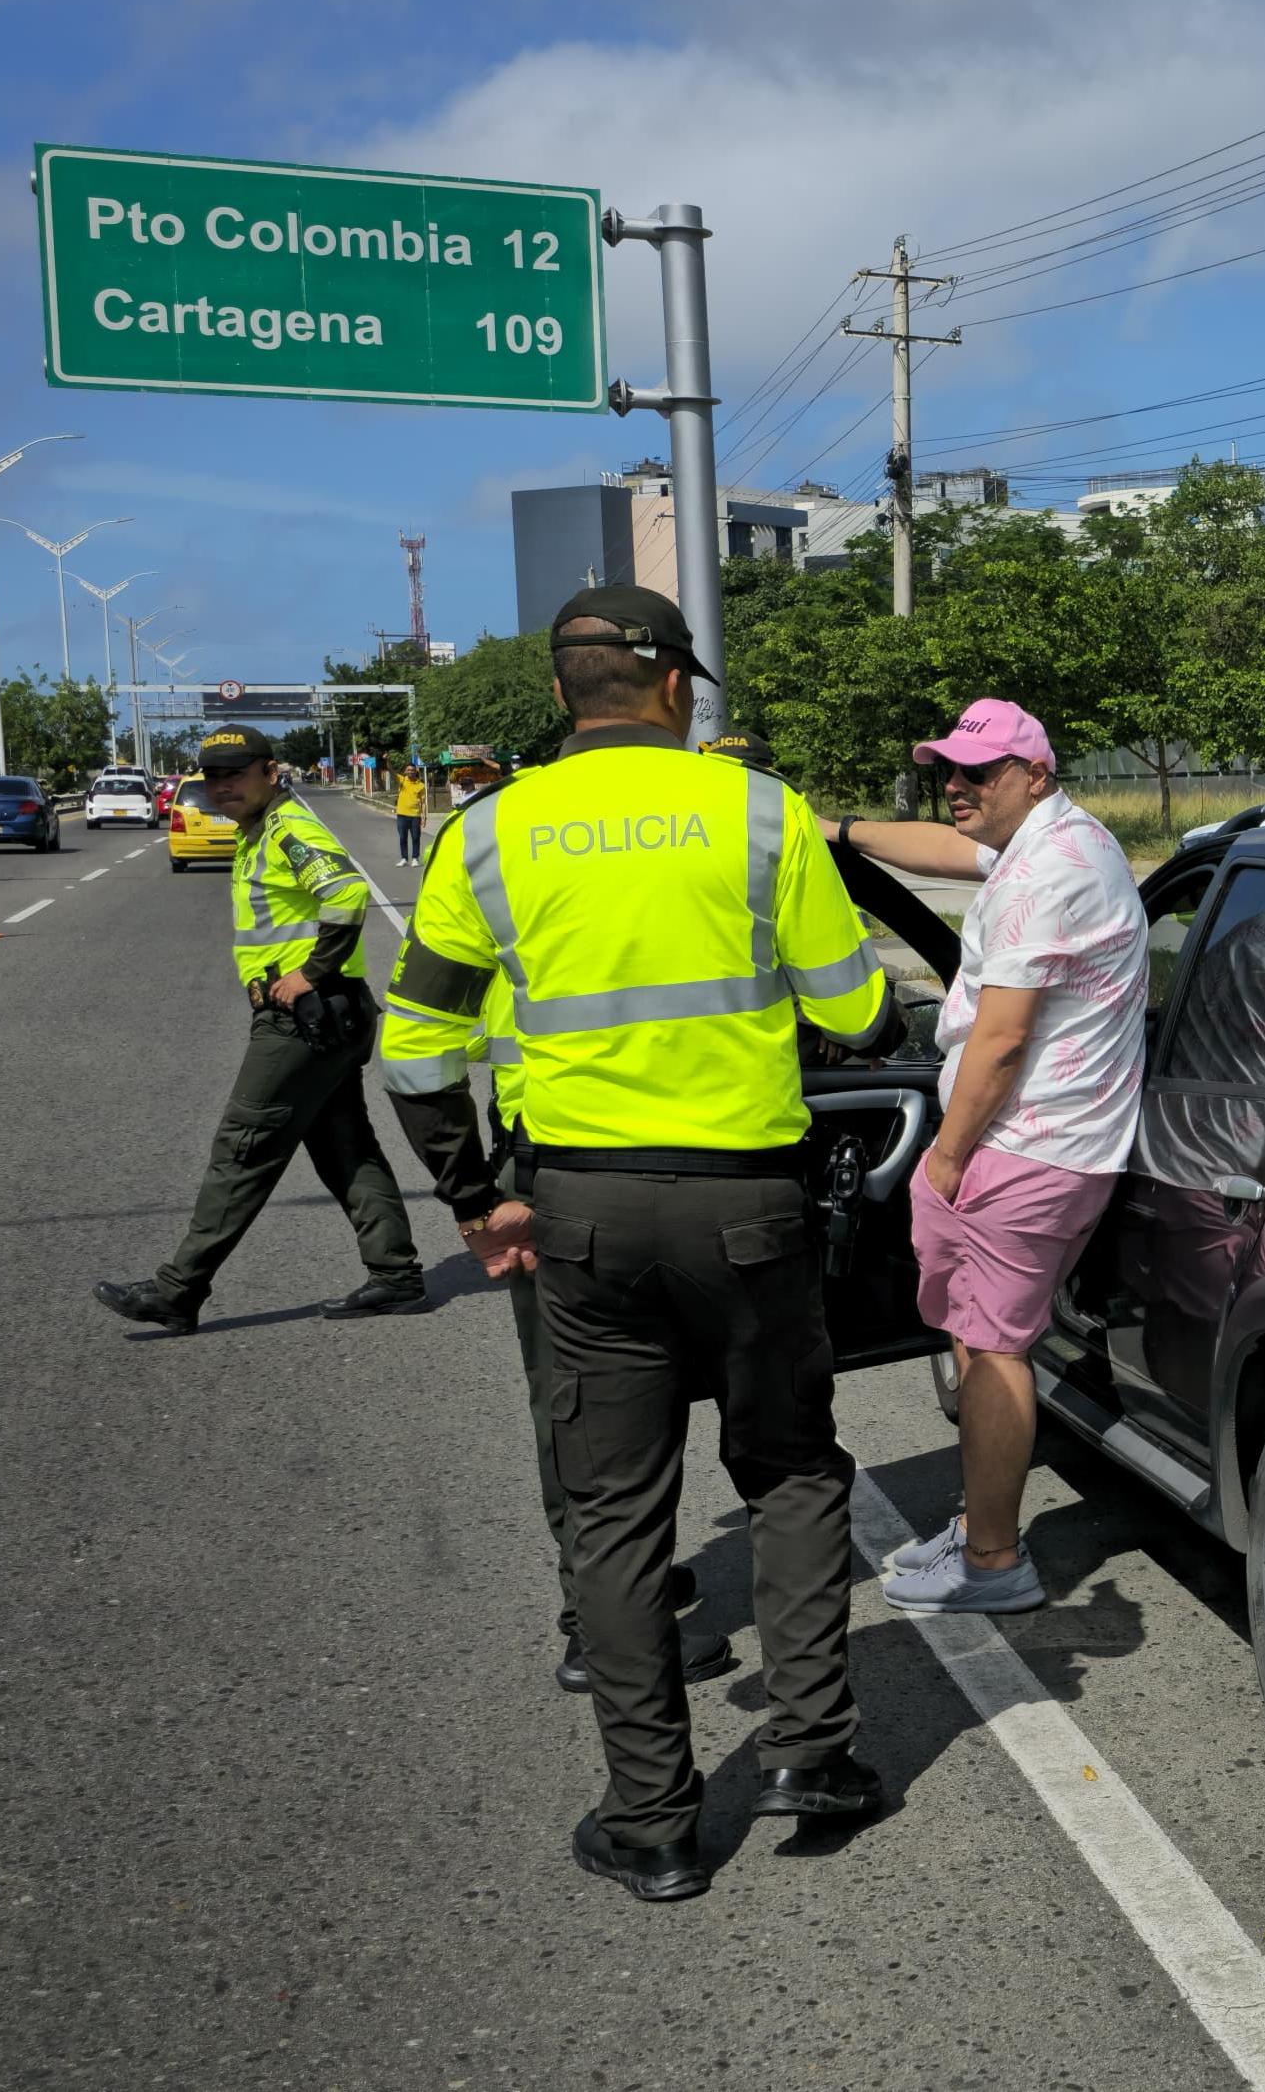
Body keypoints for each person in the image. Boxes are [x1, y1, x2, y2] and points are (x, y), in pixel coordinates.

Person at [379, 587, 901, 1904]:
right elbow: (858, 1011)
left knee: (615, 1510)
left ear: (562, 690)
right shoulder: (761, 813)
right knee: (789, 1466)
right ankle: (811, 1753)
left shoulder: (485, 832)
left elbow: (416, 1052)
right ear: (675, 687)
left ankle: (655, 1821)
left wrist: (473, 1197)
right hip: (749, 1207)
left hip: (582, 1211)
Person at [418, 740, 738, 1697]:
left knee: (582, 1399)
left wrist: (471, 1194)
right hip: (695, 1163)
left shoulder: (499, 849)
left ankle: (612, 1600)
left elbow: (419, 1044)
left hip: (554, 1165)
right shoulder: (705, 841)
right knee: (636, 1406)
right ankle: (600, 1623)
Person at [824, 700, 1146, 1617]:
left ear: (1036, 773)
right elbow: (940, 847)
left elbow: (1002, 1040)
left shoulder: (1049, 873)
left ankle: (996, 1562)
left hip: (1025, 1146)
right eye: (949, 771)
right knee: (974, 1336)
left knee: (996, 1350)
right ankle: (979, 1529)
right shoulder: (1049, 841)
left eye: (981, 771)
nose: (957, 787)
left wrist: (947, 1157)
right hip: (1032, 1141)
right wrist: (839, 831)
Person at [96, 727, 427, 1334]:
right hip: (328, 1017)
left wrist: (311, 973)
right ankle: (396, 1274)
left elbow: (347, 891)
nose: (222, 786)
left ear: (271, 773)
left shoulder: (287, 829)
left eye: (236, 773)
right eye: (213, 776)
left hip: (304, 1020)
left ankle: (178, 1290)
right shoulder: (258, 832)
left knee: (243, 1146)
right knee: (345, 1147)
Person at [391, 757, 430, 865]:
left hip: (415, 816)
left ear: (415, 771)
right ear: (405, 771)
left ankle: (415, 858)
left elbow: (423, 803)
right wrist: (388, 761)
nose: (410, 772)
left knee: (416, 837)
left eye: (412, 770)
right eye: (408, 770)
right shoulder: (402, 780)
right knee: (402, 837)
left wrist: (424, 817)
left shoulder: (420, 785)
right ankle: (404, 858)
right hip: (402, 815)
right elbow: (391, 771)